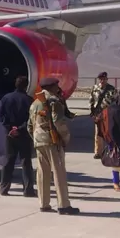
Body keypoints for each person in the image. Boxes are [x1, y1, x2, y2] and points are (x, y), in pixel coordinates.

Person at [28, 78, 80, 215]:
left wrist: (36, 138)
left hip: (39, 141)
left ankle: (44, 203)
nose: (58, 87)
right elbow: (59, 123)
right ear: (52, 87)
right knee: (59, 173)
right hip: (52, 141)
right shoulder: (54, 102)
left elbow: (29, 126)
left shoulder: (35, 103)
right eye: (57, 85)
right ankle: (63, 205)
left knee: (42, 173)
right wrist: (65, 138)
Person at [0, 75, 36, 197]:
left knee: (9, 161)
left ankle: (4, 188)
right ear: (26, 86)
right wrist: (19, 129)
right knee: (26, 162)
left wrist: (10, 128)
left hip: (10, 135)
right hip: (24, 135)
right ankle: (28, 189)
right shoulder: (29, 100)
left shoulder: (6, 98)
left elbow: (1, 116)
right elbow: (31, 119)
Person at [88, 72, 116, 159]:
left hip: (107, 114)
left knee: (109, 133)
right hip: (97, 114)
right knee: (98, 133)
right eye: (101, 79)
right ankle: (98, 152)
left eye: (104, 79)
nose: (102, 80)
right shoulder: (95, 88)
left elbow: (114, 102)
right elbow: (91, 100)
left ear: (107, 79)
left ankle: (112, 151)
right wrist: (91, 112)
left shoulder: (111, 89)